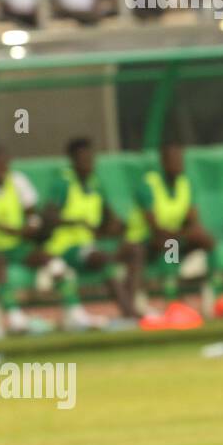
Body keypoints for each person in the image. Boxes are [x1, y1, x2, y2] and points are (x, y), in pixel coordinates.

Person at [122, 141, 223, 329]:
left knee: (205, 238)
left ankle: (218, 296)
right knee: (169, 243)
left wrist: (188, 231)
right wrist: (179, 233)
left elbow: (192, 218)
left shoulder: (185, 183)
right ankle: (171, 302)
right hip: (144, 241)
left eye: (180, 160)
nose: (177, 165)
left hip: (173, 236)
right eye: (172, 160)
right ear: (163, 162)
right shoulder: (149, 184)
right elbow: (154, 226)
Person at [41, 137, 137, 328]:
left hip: (90, 245)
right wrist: (76, 222)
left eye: (90, 158)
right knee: (101, 257)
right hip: (65, 247)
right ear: (73, 161)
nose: (88, 163)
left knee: (134, 249)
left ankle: (132, 303)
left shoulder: (95, 184)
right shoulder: (63, 183)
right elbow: (48, 216)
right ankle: (130, 314)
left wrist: (117, 226)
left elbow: (109, 217)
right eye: (83, 159)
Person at [0, 147, 48, 334]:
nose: (1, 170)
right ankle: (14, 317)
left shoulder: (18, 181)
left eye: (4, 165)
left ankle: (74, 314)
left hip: (17, 244)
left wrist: (31, 227)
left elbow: (32, 215)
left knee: (48, 258)